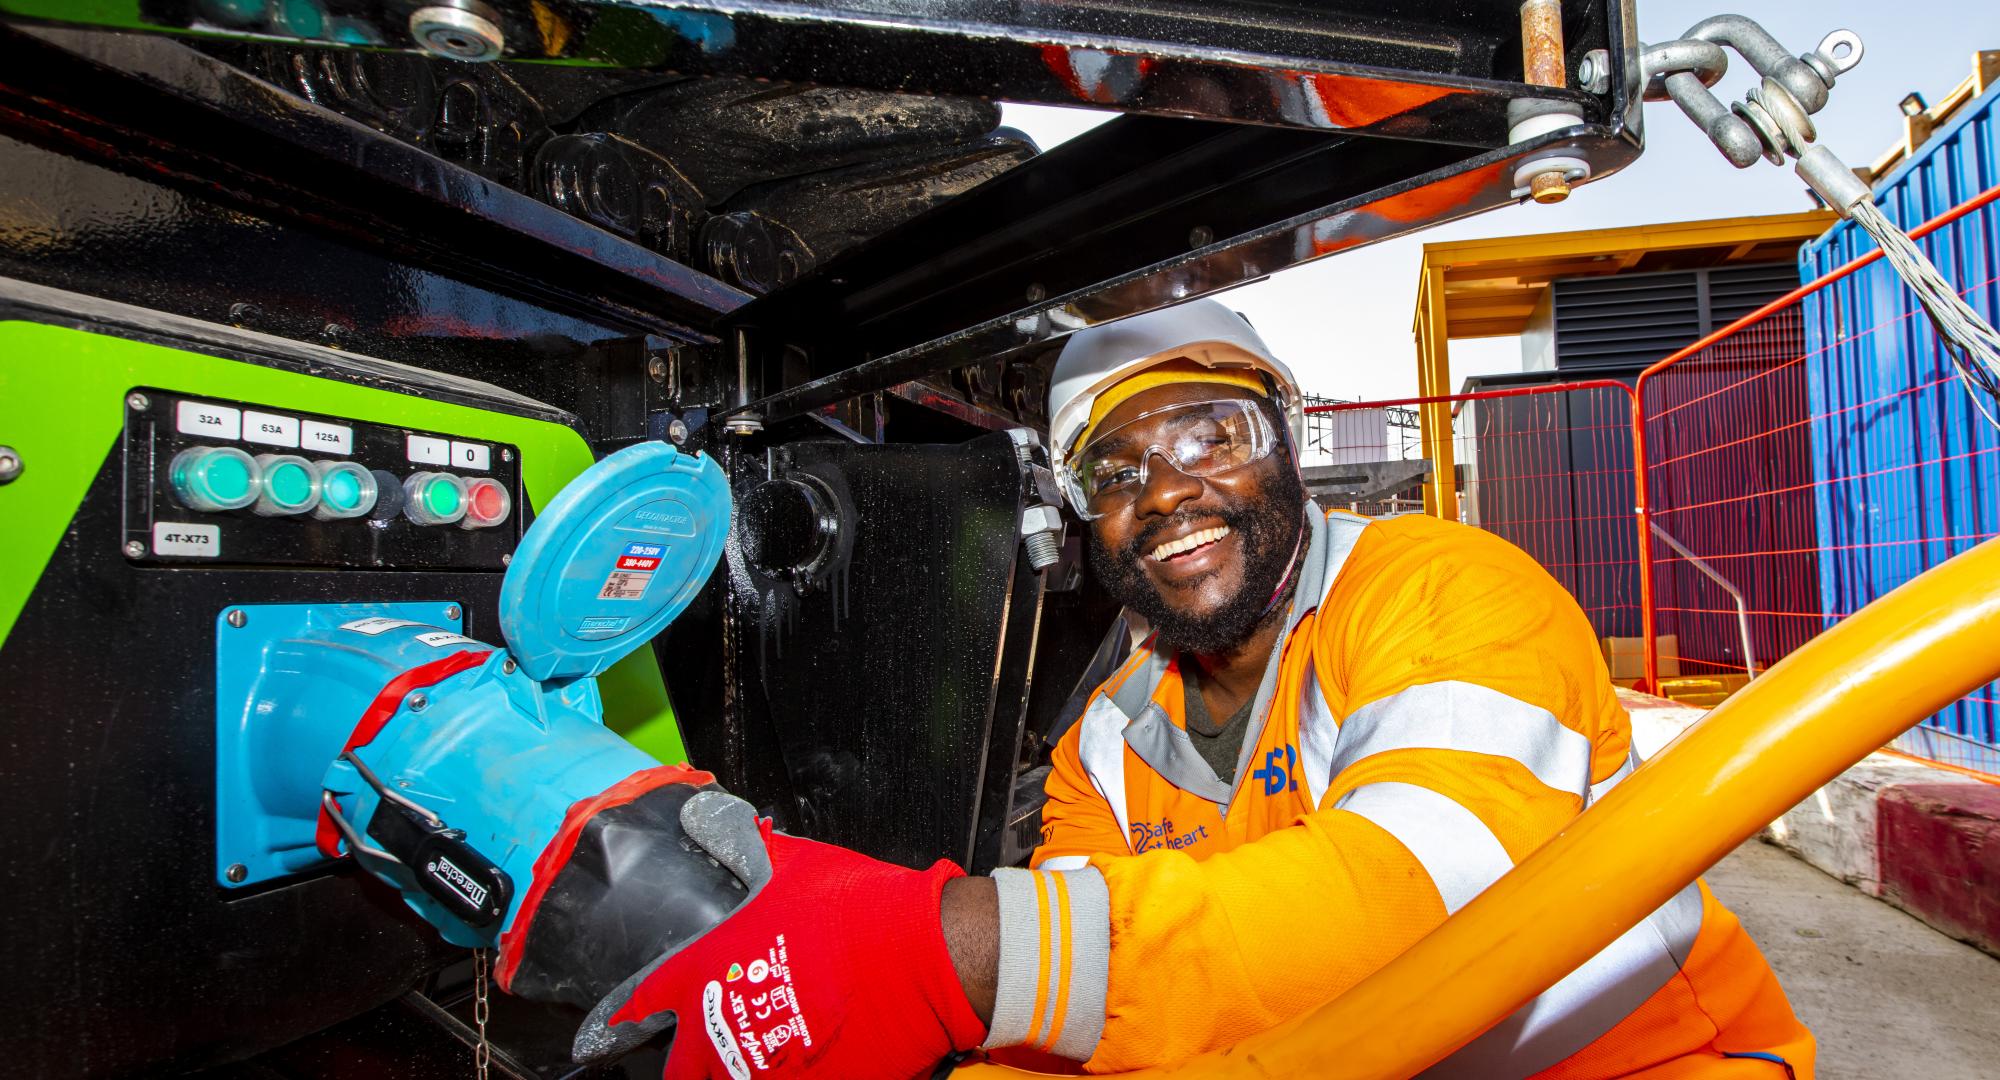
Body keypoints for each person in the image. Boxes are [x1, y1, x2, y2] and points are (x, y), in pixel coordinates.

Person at [587, 300, 1814, 1080]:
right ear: (1080, 523)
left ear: (1286, 449)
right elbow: (1095, 994)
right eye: (1114, 470)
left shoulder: (1443, 590)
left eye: (1209, 438)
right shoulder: (1106, 746)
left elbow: (1440, 897)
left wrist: (927, 952)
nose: (1166, 494)